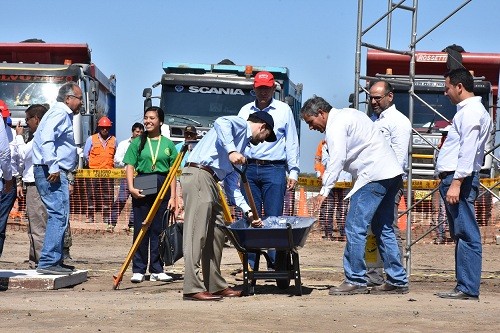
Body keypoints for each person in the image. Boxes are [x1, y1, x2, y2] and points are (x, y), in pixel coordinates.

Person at [301, 95, 408, 295]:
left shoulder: (335, 126)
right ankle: (397, 280)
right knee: (383, 227)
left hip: (373, 175)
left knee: (354, 227)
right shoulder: (351, 114)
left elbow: (337, 158)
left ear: (321, 114)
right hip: (390, 173)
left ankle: (355, 279)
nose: (311, 127)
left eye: (310, 122)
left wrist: (324, 191)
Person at [180, 111, 276, 301]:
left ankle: (214, 285)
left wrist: (248, 212)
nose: (263, 140)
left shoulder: (242, 147)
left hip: (212, 180)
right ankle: (192, 287)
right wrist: (231, 151)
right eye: (266, 136)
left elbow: (232, 186)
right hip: (199, 174)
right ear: (263, 127)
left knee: (216, 232)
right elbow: (221, 122)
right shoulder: (240, 125)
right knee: (196, 233)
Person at [434, 68, 492, 300]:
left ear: (459, 87)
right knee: (462, 232)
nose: (445, 92)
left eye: (447, 88)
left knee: (467, 233)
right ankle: (464, 286)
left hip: (460, 179)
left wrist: (457, 182)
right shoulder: (470, 112)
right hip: (458, 178)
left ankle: (468, 287)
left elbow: (468, 149)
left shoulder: (470, 113)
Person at [237, 71, 300, 269]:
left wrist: (294, 171)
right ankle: (250, 265)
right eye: (259, 88)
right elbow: (237, 139)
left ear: (273, 88)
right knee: (250, 217)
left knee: (274, 219)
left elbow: (291, 142)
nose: (263, 92)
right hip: (249, 168)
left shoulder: (283, 110)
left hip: (274, 168)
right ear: (254, 88)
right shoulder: (244, 110)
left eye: (267, 88)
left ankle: (276, 263)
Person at [123, 106, 178, 283]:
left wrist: (173, 197)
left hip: (163, 183)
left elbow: (173, 172)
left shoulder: (168, 144)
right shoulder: (137, 142)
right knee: (141, 226)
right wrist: (131, 187)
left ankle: (157, 268)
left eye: (152, 118)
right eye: (146, 118)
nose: (148, 121)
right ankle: (138, 269)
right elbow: (130, 166)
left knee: (159, 229)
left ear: (160, 121)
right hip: (144, 182)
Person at [366, 80, 412, 286]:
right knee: (372, 229)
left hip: (388, 182)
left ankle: (395, 276)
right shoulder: (373, 121)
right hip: (371, 181)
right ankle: (374, 275)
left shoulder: (398, 122)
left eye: (377, 97)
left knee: (387, 228)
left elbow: (398, 158)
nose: (373, 101)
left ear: (390, 96)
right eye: (371, 97)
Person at [32, 82, 81, 275]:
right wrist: (52, 165)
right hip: (51, 170)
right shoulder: (60, 113)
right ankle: (48, 261)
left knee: (60, 214)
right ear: (68, 99)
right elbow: (46, 138)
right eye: (79, 98)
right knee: (58, 214)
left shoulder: (60, 114)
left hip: (53, 169)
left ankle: (55, 260)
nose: (81, 103)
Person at [15, 104, 49, 268]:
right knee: (34, 225)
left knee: (37, 224)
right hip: (32, 183)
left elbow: (22, 154)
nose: (26, 123)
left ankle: (42, 261)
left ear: (36, 119)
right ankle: (34, 258)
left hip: (36, 184)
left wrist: (19, 137)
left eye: (28, 119)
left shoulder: (38, 138)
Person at [110, 122, 144, 232]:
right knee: (121, 199)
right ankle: (111, 222)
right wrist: (128, 164)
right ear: (133, 132)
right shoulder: (124, 144)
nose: (139, 134)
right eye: (137, 132)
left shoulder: (146, 144)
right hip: (126, 176)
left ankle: (133, 224)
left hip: (141, 177)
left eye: (141, 132)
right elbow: (116, 160)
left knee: (138, 201)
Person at [83, 116, 116, 226]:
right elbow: (85, 155)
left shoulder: (114, 140)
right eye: (102, 127)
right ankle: (91, 216)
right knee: (91, 194)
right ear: (99, 127)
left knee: (108, 196)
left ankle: (106, 217)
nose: (105, 130)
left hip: (108, 173)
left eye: (107, 128)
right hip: (93, 173)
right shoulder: (91, 139)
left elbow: (115, 155)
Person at [0, 100, 17, 258]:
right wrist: (8, 178)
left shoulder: (9, 131)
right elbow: (5, 154)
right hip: (4, 181)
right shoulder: (3, 129)